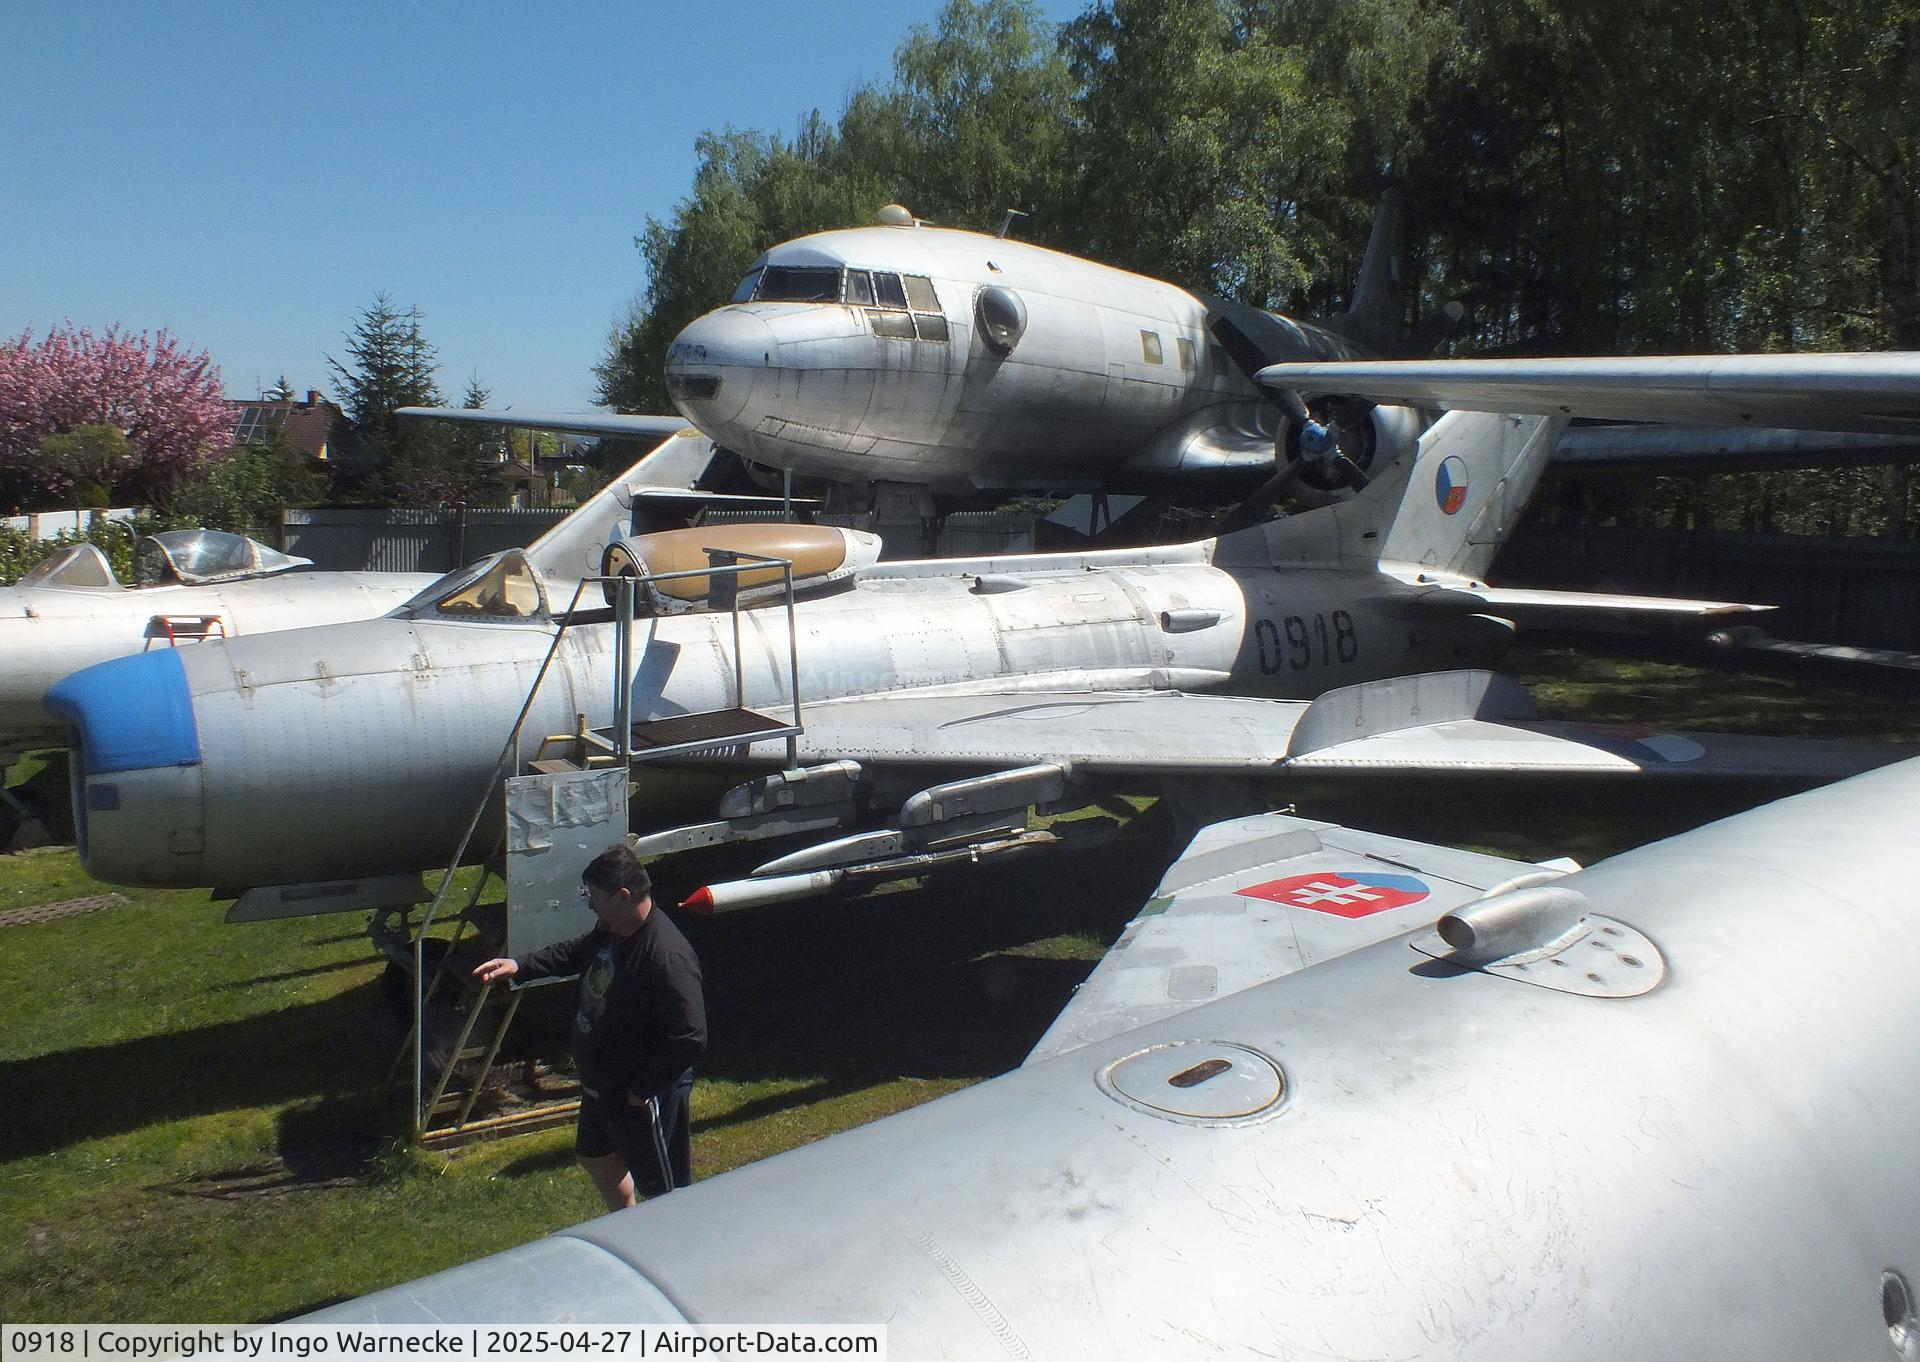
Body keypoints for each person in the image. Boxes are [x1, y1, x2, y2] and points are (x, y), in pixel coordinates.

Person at [472, 843, 706, 1211]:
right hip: (604, 1083)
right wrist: (519, 966)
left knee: (666, 1194)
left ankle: (673, 1242)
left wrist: (642, 1090)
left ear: (623, 896)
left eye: (593, 896)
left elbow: (689, 1036)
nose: (590, 904)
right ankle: (626, 1223)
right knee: (595, 1157)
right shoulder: (614, 928)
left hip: (642, 1095)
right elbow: (576, 953)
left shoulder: (665, 956)